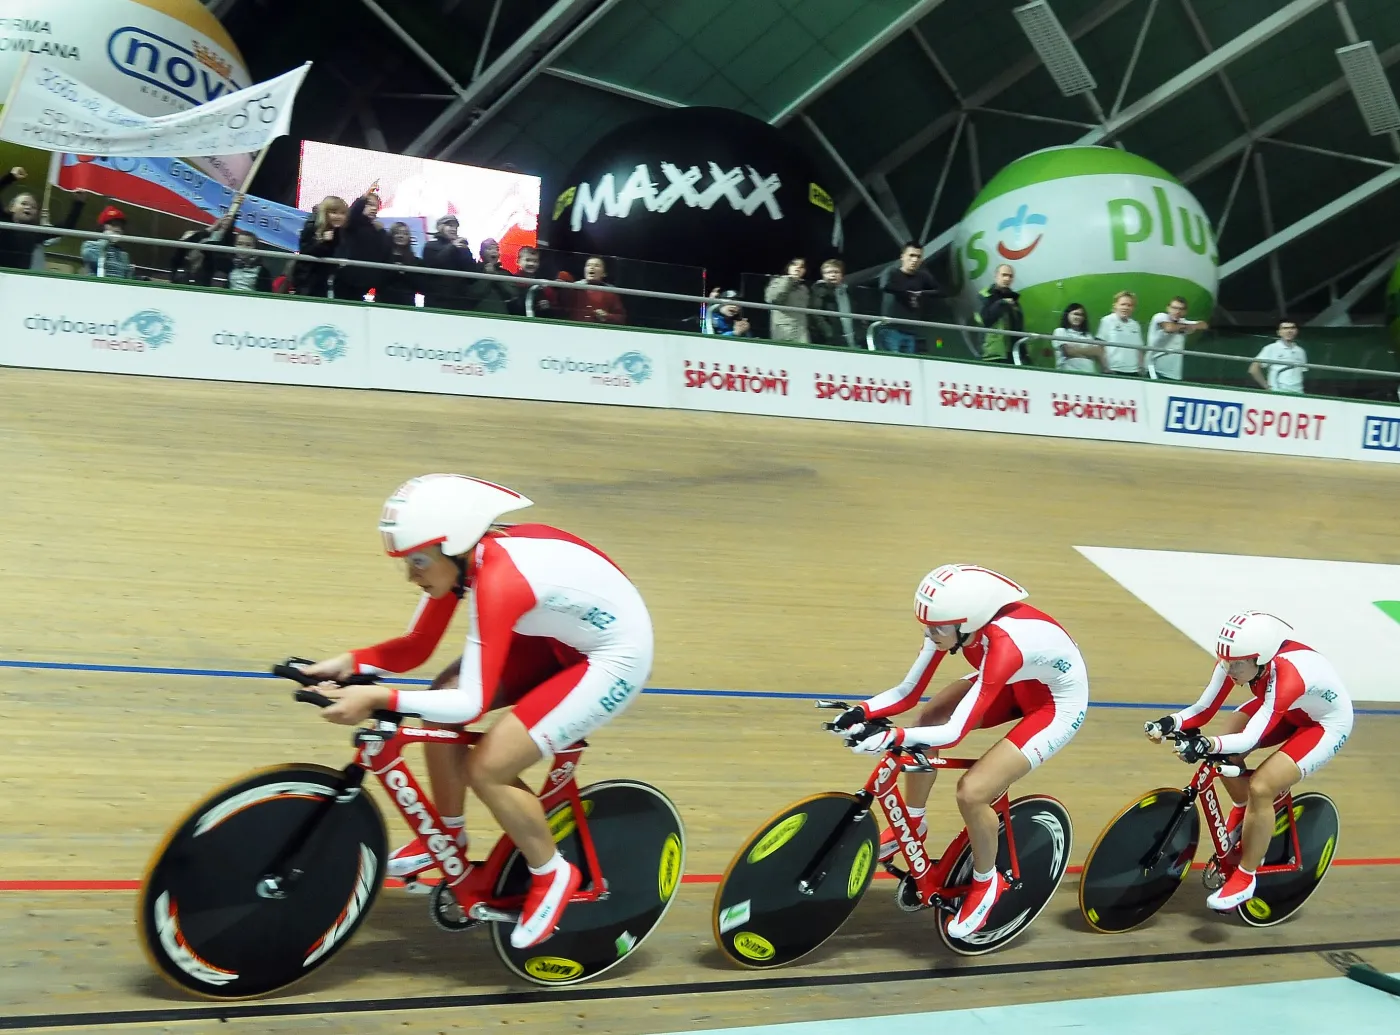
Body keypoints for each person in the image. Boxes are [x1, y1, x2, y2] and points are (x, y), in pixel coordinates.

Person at [300, 474, 654, 950]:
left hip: (612, 658)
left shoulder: (499, 582)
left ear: (453, 546)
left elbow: (472, 702)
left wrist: (380, 698)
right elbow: (415, 647)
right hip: (557, 636)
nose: (412, 575)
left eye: (418, 561)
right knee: (439, 697)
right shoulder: (466, 560)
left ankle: (551, 872)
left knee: (488, 766)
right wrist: (350, 664)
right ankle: (446, 836)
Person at [832, 564, 1088, 939]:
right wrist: (862, 711)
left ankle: (988, 882)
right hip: (1015, 681)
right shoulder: (954, 629)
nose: (929, 635)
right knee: (929, 715)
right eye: (927, 627)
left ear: (967, 624)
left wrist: (891, 738)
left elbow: (953, 733)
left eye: (936, 629)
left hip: (1054, 705)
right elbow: (909, 691)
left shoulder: (1003, 646)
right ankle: (914, 821)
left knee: (973, 792)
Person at [1144, 611, 1352, 911]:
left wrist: (1205, 743)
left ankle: (1246, 876)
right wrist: (1169, 723)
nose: (1229, 669)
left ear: (1261, 659)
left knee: (1261, 787)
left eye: (1237, 665)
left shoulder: (1288, 677)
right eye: (1224, 662)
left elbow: (1250, 738)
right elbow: (1204, 708)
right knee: (1220, 753)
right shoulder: (1239, 660)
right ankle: (1244, 811)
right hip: (1285, 708)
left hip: (1323, 724)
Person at [880, 242, 939, 354]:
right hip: (891, 328)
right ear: (902, 257)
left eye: (918, 256)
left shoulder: (923, 276)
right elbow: (884, 286)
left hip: (912, 331)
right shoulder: (892, 272)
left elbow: (940, 291)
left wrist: (920, 293)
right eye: (911, 255)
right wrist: (909, 293)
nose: (915, 260)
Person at [332, 191, 391, 301]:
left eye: (376, 206)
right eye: (369, 204)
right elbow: (352, 214)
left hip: (369, 285)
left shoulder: (380, 231)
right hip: (347, 281)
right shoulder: (352, 224)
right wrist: (364, 197)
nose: (373, 208)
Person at [291, 196, 347, 298]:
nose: (339, 216)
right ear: (325, 213)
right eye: (334, 212)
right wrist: (322, 242)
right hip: (308, 281)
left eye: (342, 213)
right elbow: (306, 251)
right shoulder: (312, 226)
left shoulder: (337, 230)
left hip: (326, 280)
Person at [421, 214, 478, 311]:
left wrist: (466, 252)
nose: (453, 229)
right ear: (440, 227)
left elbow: (472, 273)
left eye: (455, 226)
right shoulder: (430, 246)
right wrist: (452, 247)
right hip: (437, 301)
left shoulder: (462, 248)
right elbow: (434, 264)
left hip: (461, 301)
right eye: (450, 225)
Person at [1146, 296, 1209, 380]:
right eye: (1174, 308)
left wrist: (1190, 326)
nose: (1177, 312)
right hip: (1155, 369)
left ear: (1185, 312)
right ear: (1168, 308)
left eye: (1181, 309)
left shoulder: (1183, 322)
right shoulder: (1159, 316)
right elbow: (1169, 328)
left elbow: (1203, 325)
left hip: (1174, 373)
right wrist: (1188, 327)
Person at [976, 264, 1027, 364]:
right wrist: (1001, 303)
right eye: (1004, 275)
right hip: (990, 354)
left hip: (1012, 354)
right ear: (996, 276)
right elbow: (984, 320)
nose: (1007, 278)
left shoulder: (1014, 300)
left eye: (1010, 276)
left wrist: (1024, 353)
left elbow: (1019, 328)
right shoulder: (985, 295)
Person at [1249, 321, 1307, 394]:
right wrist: (1267, 387)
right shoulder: (1271, 348)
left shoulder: (1301, 351)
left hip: (1298, 393)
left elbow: (1300, 373)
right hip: (1278, 392)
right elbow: (1253, 369)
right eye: (1285, 328)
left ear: (1296, 331)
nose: (1289, 331)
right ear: (1279, 332)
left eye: (1292, 328)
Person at [1095, 291, 1145, 375]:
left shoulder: (1135, 325)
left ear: (1133, 308)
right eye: (1123, 304)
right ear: (1115, 305)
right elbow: (1100, 347)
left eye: (1129, 305)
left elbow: (1139, 349)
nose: (1126, 307)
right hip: (1113, 370)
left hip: (1134, 372)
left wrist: (1141, 368)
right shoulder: (1107, 320)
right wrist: (1105, 367)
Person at [809, 259, 855, 347]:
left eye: (836, 272)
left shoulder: (847, 291)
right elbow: (816, 314)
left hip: (850, 338)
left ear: (842, 275)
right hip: (829, 341)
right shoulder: (819, 290)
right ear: (823, 275)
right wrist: (829, 333)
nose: (833, 275)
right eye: (829, 272)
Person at [567, 256, 626, 324]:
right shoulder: (573, 288)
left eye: (597, 266)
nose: (591, 268)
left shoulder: (611, 293)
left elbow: (621, 318)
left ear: (604, 273)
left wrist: (607, 316)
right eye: (588, 265)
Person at [80, 205, 135, 279]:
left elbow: (126, 279)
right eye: (113, 224)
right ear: (103, 226)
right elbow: (94, 260)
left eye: (121, 225)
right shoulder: (89, 245)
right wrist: (105, 239)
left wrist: (130, 273)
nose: (118, 228)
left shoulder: (124, 255)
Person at [764, 257, 810, 343]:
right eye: (794, 264)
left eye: (802, 266)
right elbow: (772, 299)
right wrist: (788, 280)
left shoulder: (804, 289)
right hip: (783, 331)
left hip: (801, 331)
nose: (798, 267)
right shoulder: (777, 281)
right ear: (788, 267)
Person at [377, 222, 421, 307]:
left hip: (407, 303)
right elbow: (378, 280)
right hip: (384, 301)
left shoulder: (416, 261)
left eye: (405, 233)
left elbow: (420, 285)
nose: (401, 236)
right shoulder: (383, 258)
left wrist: (405, 273)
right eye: (397, 233)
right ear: (391, 236)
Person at [1052, 303, 1106, 373]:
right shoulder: (1060, 331)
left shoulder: (1087, 335)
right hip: (1068, 374)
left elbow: (1098, 351)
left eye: (1081, 315)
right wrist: (1089, 352)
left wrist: (1076, 350)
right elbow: (1068, 351)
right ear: (1067, 315)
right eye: (1075, 314)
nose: (1078, 317)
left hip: (1090, 374)